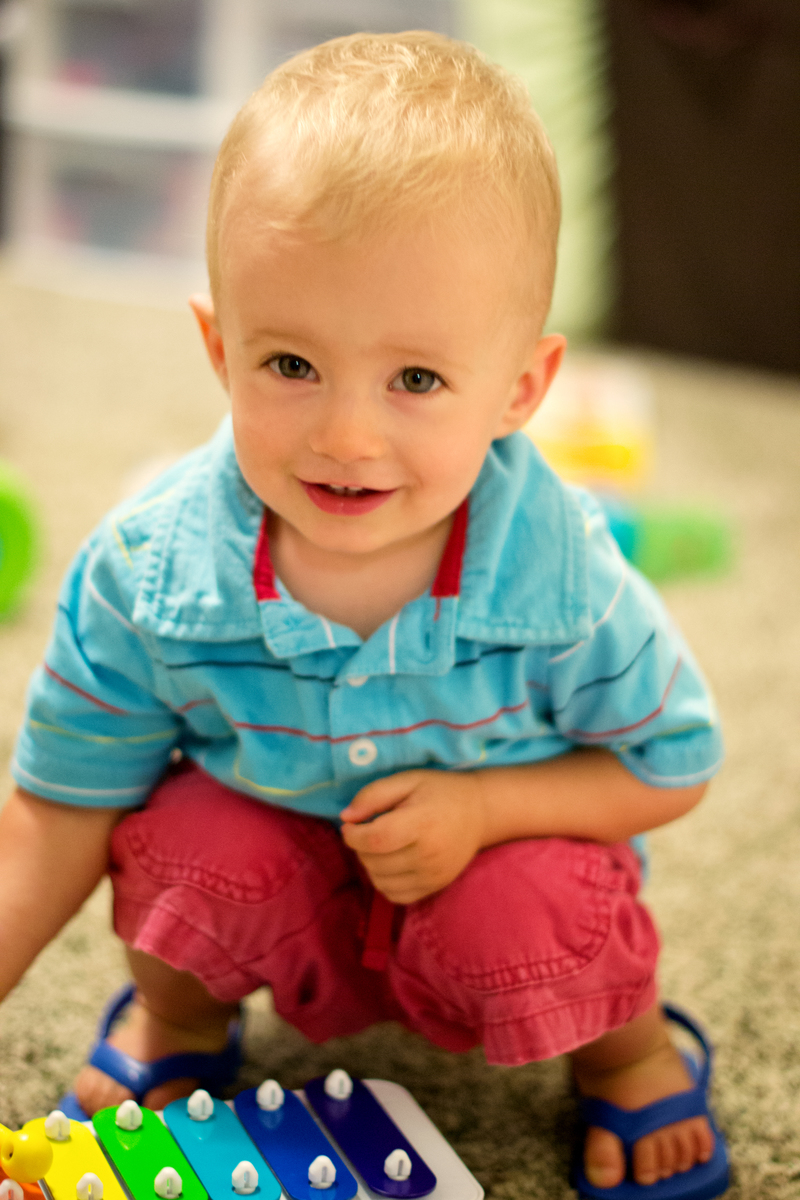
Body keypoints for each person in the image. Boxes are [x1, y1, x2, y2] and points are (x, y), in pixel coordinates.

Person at [0, 31, 728, 1199]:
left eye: (417, 380)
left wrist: (488, 808)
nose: (345, 436)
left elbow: (670, 762)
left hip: (493, 880)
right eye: (290, 365)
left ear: (520, 389)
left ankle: (630, 1055)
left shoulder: (564, 580)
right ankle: (177, 1020)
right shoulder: (146, 572)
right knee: (180, 843)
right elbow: (56, 811)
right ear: (219, 346)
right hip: (277, 870)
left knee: (539, 907)